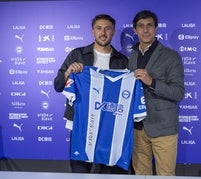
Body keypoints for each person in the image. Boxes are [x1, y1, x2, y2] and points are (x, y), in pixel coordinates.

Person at [54, 14, 129, 174]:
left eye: (108, 29)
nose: (103, 33)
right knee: (80, 171)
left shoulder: (122, 60)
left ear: (113, 32)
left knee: (109, 173)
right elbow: (58, 85)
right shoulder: (77, 54)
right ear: (92, 31)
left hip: (110, 124)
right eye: (99, 28)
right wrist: (68, 72)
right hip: (82, 123)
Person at [128, 10, 185, 176]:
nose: (145, 30)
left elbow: (178, 93)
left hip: (163, 128)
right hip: (137, 127)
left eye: (149, 26)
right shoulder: (131, 57)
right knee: (141, 174)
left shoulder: (171, 56)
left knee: (165, 174)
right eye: (141, 26)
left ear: (156, 28)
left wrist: (151, 82)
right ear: (135, 30)